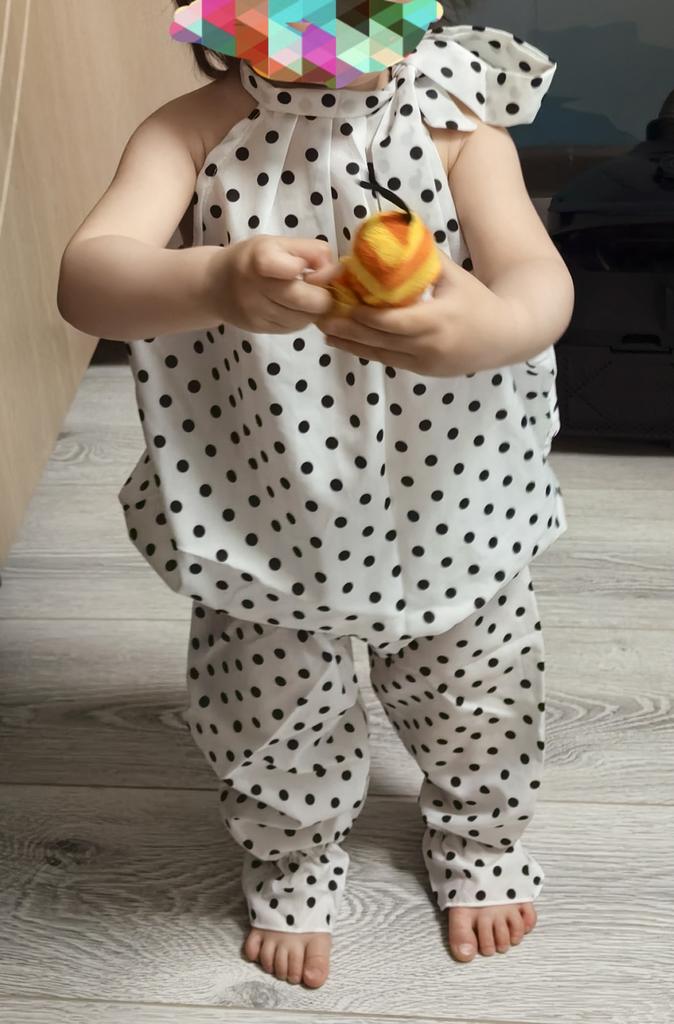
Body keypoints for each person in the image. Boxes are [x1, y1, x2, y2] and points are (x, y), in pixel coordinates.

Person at [57, 0, 574, 991]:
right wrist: (210, 282)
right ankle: (291, 851)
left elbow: (537, 279)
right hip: (265, 500)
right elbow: (88, 281)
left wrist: (494, 327)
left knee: (477, 691)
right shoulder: (192, 131)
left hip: (449, 498)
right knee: (268, 711)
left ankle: (479, 832)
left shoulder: (460, 125)